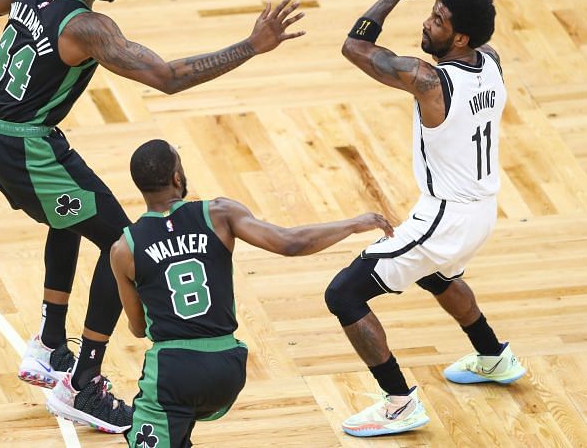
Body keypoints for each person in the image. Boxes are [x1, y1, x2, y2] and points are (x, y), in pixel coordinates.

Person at [0, 0, 305, 433]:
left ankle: (49, 343)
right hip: (26, 148)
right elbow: (168, 78)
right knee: (121, 243)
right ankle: (83, 383)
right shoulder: (87, 28)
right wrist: (250, 46)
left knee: (72, 213)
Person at [324, 0, 526, 437]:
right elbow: (476, 15)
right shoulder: (492, 59)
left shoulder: (430, 81)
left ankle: (398, 401)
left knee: (344, 294)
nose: (427, 23)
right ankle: (494, 354)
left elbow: (355, 48)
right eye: (431, 13)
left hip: (445, 217)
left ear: (459, 39)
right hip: (480, 211)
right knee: (436, 275)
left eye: (437, 19)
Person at [109, 139, 395, 448]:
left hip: (173, 374)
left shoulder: (125, 248)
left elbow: (138, 328)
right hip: (227, 368)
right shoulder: (219, 214)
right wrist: (353, 224)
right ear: (177, 178)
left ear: (140, 187)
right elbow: (290, 243)